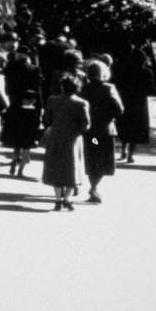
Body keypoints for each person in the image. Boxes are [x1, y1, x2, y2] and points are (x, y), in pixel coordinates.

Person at [40, 73, 90, 210]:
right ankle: (67, 199)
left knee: (56, 168)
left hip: (55, 136)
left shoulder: (52, 100)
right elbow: (85, 125)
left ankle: (57, 200)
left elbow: (47, 119)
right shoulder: (81, 103)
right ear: (77, 87)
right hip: (73, 139)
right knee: (72, 169)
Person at [0, 35, 45, 178]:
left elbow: (5, 86)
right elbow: (38, 90)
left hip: (14, 105)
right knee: (28, 138)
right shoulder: (34, 69)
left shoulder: (9, 67)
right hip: (30, 105)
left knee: (16, 135)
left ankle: (14, 158)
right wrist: (40, 106)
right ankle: (21, 169)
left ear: (18, 54)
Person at [81, 59, 126, 203]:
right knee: (102, 159)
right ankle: (94, 187)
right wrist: (110, 116)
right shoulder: (108, 88)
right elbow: (119, 109)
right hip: (105, 130)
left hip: (90, 132)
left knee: (92, 157)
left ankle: (93, 186)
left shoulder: (84, 88)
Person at [112, 45, 156, 162]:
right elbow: (151, 90)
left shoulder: (124, 70)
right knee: (136, 129)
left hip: (125, 101)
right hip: (139, 103)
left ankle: (123, 150)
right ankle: (130, 154)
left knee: (124, 126)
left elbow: (118, 85)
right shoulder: (147, 72)